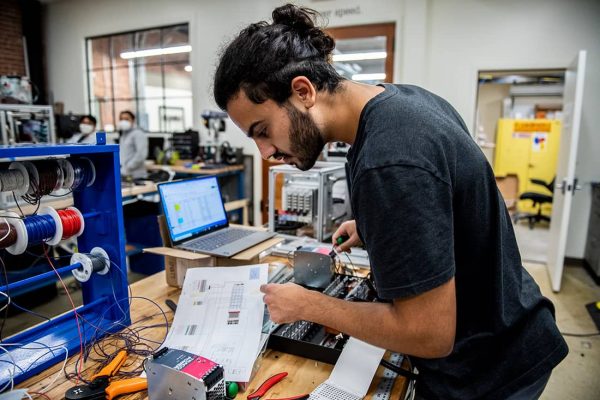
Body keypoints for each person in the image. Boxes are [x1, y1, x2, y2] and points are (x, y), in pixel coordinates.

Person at [213, 4, 568, 400]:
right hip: (508, 322)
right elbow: (447, 197)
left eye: (263, 131)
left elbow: (428, 334)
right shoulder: (402, 101)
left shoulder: (389, 158)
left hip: (490, 369)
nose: (264, 153)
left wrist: (310, 306)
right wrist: (378, 228)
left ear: (303, 91)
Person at [117, 110, 147, 180]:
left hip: (136, 175)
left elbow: (141, 155)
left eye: (126, 119)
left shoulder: (138, 133)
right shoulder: (123, 134)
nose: (123, 121)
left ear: (133, 120)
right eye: (121, 119)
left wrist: (127, 167)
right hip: (125, 174)